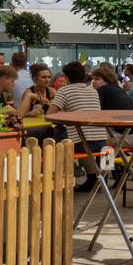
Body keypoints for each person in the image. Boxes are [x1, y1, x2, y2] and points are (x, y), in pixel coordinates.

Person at [48, 61, 108, 191]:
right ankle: (96, 179)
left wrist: (63, 115)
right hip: (103, 142)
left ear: (66, 77)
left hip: (82, 144)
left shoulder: (64, 91)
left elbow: (50, 115)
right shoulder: (93, 91)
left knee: (61, 131)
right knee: (84, 136)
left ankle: (66, 170)